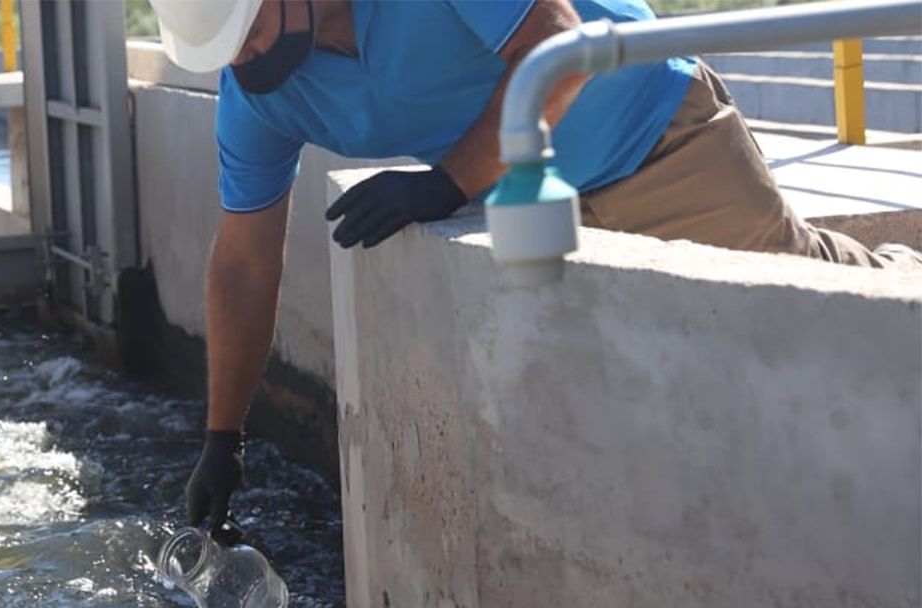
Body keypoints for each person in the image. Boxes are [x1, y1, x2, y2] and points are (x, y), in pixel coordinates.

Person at [147, 0, 921, 541]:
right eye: (225, 54)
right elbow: (244, 264)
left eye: (245, 35)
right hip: (532, 193)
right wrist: (224, 438)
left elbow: (557, 36)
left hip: (654, 139)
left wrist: (446, 182)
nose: (244, 59)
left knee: (806, 296)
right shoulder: (258, 96)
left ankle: (907, 276)